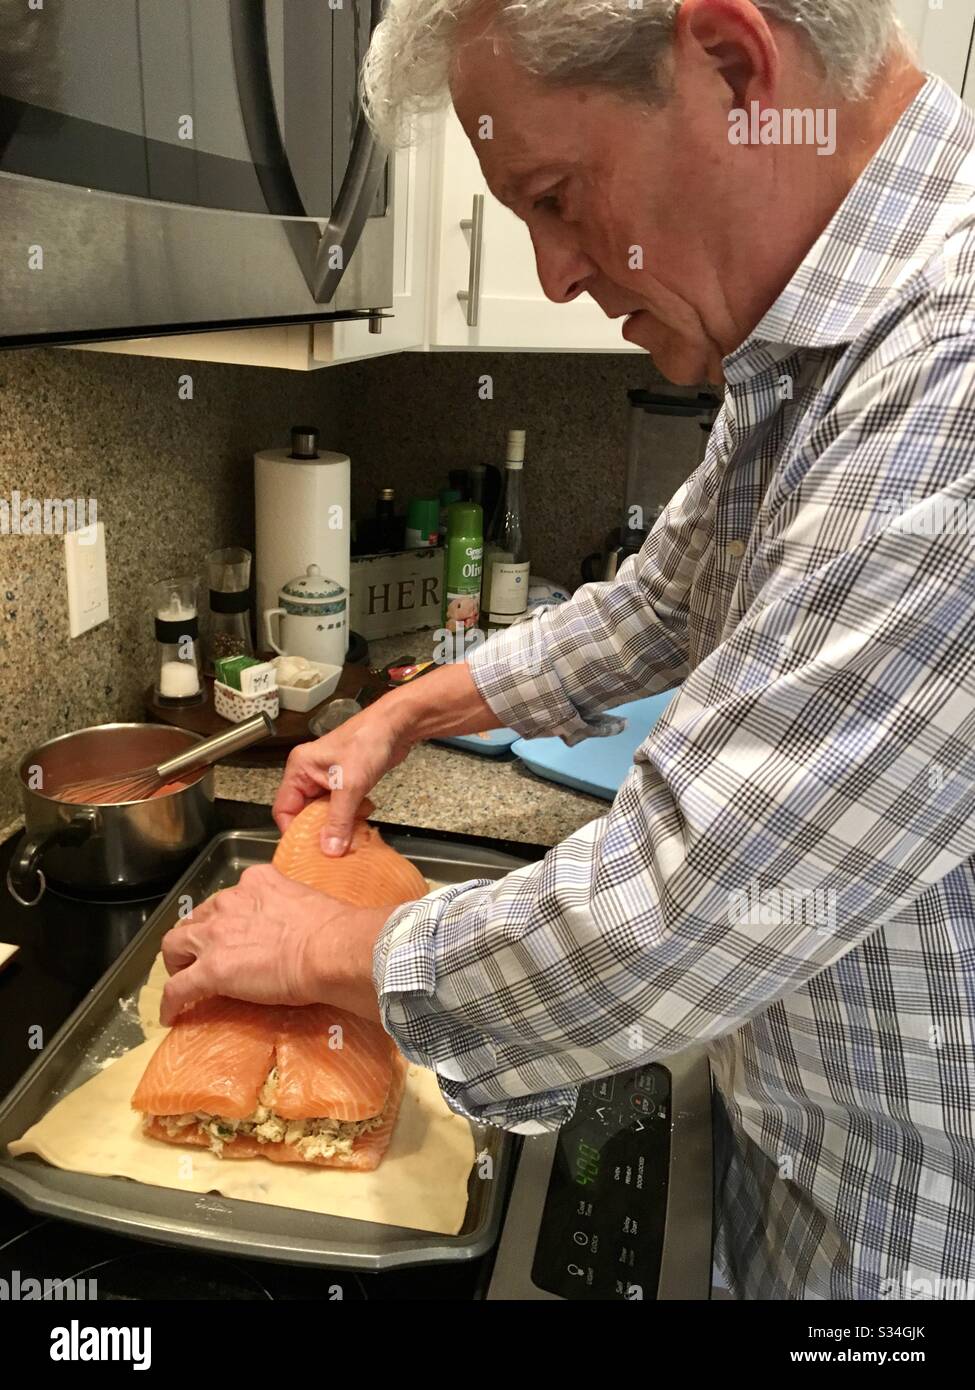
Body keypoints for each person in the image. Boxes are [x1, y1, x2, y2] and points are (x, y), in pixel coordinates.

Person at [160, 0, 975, 1300]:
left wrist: (320, 948)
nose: (551, 274)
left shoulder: (951, 388)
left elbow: (670, 903)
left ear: (730, 66)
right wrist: (401, 714)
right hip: (795, 1183)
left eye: (556, 195)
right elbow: (654, 604)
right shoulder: (815, 366)